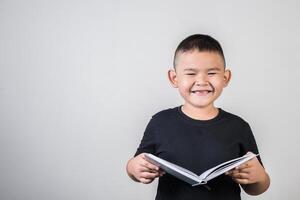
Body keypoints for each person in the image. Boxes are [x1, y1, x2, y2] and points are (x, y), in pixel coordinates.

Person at [126, 34, 270, 200]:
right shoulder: (160, 122)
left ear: (225, 78)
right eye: (191, 74)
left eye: (211, 73)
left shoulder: (238, 126)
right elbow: (136, 166)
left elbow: (256, 188)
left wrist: (261, 177)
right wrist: (132, 167)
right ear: (174, 78)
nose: (201, 81)